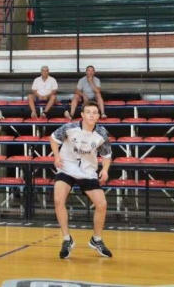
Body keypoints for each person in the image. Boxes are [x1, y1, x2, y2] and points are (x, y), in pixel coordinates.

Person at [50, 100, 113, 260]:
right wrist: (56, 157)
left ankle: (96, 240)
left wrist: (105, 170)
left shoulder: (102, 134)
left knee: (102, 204)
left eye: (95, 112)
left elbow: (106, 156)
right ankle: (66, 239)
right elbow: (53, 138)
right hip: (67, 168)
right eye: (89, 112)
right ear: (83, 115)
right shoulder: (69, 128)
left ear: (98, 116)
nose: (92, 115)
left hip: (87, 171)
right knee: (58, 200)